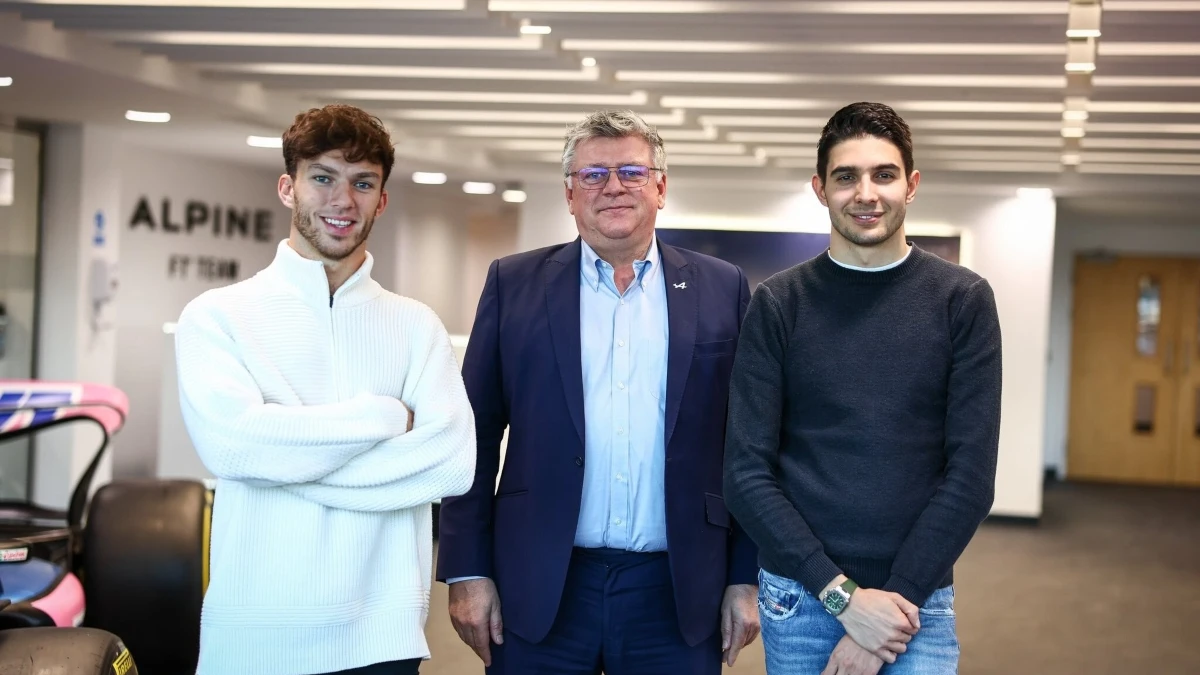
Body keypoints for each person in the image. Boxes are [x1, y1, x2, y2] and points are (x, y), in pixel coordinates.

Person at [436, 109, 760, 674]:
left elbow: (750, 442)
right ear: (568, 193)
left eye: (632, 171)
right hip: (540, 583)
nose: (613, 186)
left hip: (679, 585)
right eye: (592, 175)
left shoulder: (721, 285)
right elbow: (473, 433)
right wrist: (466, 567)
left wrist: (745, 575)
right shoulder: (513, 284)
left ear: (660, 187)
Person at [173, 104, 476, 675]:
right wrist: (383, 417)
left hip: (381, 640)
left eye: (363, 183)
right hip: (252, 636)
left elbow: (449, 465)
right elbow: (234, 448)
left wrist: (286, 462)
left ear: (382, 199)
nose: (344, 201)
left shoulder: (415, 326)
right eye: (323, 178)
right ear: (288, 188)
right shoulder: (217, 316)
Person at [722, 101, 1002, 675]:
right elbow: (745, 472)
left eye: (884, 174)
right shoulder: (779, 303)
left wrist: (889, 612)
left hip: (915, 599)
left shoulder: (963, 301)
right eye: (846, 176)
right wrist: (842, 598)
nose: (866, 193)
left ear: (912, 184)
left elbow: (970, 477)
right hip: (801, 596)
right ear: (821, 189)